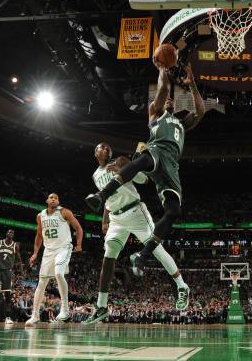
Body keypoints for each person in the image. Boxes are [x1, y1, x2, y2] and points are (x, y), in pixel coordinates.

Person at [84, 63, 205, 277]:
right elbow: (164, 89)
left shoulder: (181, 123)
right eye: (165, 99)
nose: (168, 100)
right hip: (157, 151)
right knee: (142, 160)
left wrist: (192, 84)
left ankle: (142, 256)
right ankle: (102, 195)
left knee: (174, 212)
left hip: (171, 166)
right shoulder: (155, 113)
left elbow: (201, 111)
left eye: (171, 100)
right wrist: (163, 72)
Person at [84, 143, 190, 324]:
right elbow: (107, 196)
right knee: (108, 257)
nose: (105, 148)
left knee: (156, 249)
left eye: (108, 147)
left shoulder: (121, 160)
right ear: (96, 153)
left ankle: (182, 286)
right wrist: (104, 220)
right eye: (101, 147)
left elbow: (144, 180)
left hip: (135, 212)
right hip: (116, 219)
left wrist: (121, 168)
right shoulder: (95, 175)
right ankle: (101, 306)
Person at [26, 193, 83, 326]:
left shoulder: (64, 212)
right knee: (42, 282)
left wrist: (79, 245)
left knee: (58, 273)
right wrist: (35, 253)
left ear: (58, 201)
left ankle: (65, 309)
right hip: (48, 250)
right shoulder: (40, 216)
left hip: (63, 247)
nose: (53, 199)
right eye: (51, 197)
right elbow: (39, 235)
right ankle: (35, 315)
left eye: (56, 198)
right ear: (47, 200)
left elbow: (78, 228)